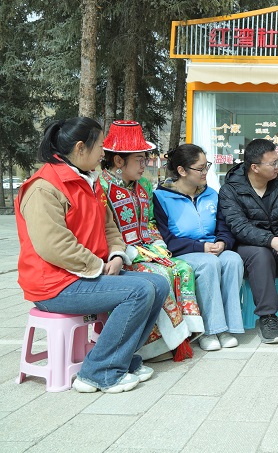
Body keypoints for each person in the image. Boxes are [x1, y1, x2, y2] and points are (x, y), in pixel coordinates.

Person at [16, 117, 169, 393]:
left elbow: (109, 226)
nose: (103, 152)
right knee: (139, 291)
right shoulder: (44, 188)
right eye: (99, 145)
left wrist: (117, 255)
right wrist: (97, 265)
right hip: (55, 285)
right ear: (80, 148)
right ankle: (98, 372)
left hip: (85, 275)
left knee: (158, 283)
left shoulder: (89, 181)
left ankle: (120, 359)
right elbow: (54, 246)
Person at [97, 120, 202, 361]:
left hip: (147, 249)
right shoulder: (100, 187)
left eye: (145, 159)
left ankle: (179, 339)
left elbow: (150, 221)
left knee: (183, 268)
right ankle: (150, 346)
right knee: (160, 275)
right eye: (139, 160)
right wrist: (125, 252)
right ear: (119, 160)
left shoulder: (144, 185)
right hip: (120, 255)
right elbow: (103, 230)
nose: (144, 165)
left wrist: (158, 245)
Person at [218, 138, 278, 344]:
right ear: (255, 167)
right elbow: (239, 228)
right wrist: (272, 241)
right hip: (249, 250)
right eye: (273, 163)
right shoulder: (230, 190)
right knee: (261, 254)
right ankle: (267, 318)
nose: (277, 166)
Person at [153, 144, 244, 351]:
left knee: (232, 260)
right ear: (182, 171)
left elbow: (224, 227)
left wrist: (223, 242)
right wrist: (200, 247)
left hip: (211, 248)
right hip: (183, 252)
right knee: (209, 263)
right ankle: (210, 330)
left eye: (206, 167)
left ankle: (229, 327)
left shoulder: (212, 194)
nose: (205, 172)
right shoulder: (161, 197)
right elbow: (166, 239)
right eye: (200, 168)